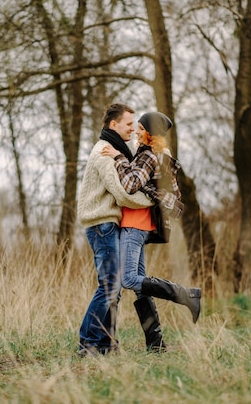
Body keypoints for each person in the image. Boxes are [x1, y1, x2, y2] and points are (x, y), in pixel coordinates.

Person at [101, 111, 201, 353]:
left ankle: (187, 295)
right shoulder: (152, 154)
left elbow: (130, 184)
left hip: (135, 224)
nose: (136, 130)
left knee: (128, 280)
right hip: (140, 225)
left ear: (148, 132)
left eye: (140, 127)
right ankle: (156, 344)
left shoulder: (147, 155)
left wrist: (117, 158)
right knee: (138, 286)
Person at [76, 103, 154, 357]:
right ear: (114, 125)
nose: (133, 129)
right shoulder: (103, 153)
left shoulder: (118, 150)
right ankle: (88, 344)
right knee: (109, 286)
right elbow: (122, 194)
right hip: (101, 225)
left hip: (107, 224)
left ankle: (105, 344)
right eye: (129, 124)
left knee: (113, 288)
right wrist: (153, 201)